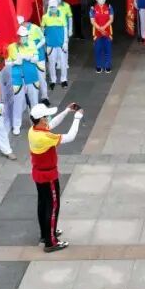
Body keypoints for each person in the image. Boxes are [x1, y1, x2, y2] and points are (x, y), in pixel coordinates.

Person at [28, 102, 83, 253]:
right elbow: (70, 137)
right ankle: (51, 242)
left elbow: (52, 124)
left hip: (39, 174)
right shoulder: (44, 137)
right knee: (53, 207)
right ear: (41, 119)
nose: (48, 118)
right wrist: (77, 118)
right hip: (48, 176)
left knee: (43, 204)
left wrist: (66, 111)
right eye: (46, 116)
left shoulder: (33, 130)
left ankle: (45, 234)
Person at [42, 0, 70, 89]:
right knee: (51, 63)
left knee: (63, 62)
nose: (53, 9)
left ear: (57, 7)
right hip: (50, 45)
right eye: (51, 7)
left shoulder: (62, 15)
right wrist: (44, 39)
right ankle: (53, 80)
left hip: (61, 44)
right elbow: (43, 29)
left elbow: (65, 29)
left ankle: (64, 80)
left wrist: (65, 42)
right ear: (49, 7)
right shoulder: (45, 17)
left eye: (54, 7)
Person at [89, 0, 114, 73]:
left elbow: (111, 19)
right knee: (98, 50)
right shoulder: (93, 9)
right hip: (97, 33)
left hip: (107, 32)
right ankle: (99, 66)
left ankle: (107, 66)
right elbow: (92, 21)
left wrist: (104, 27)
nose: (102, 0)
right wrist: (99, 28)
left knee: (108, 50)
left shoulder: (109, 7)